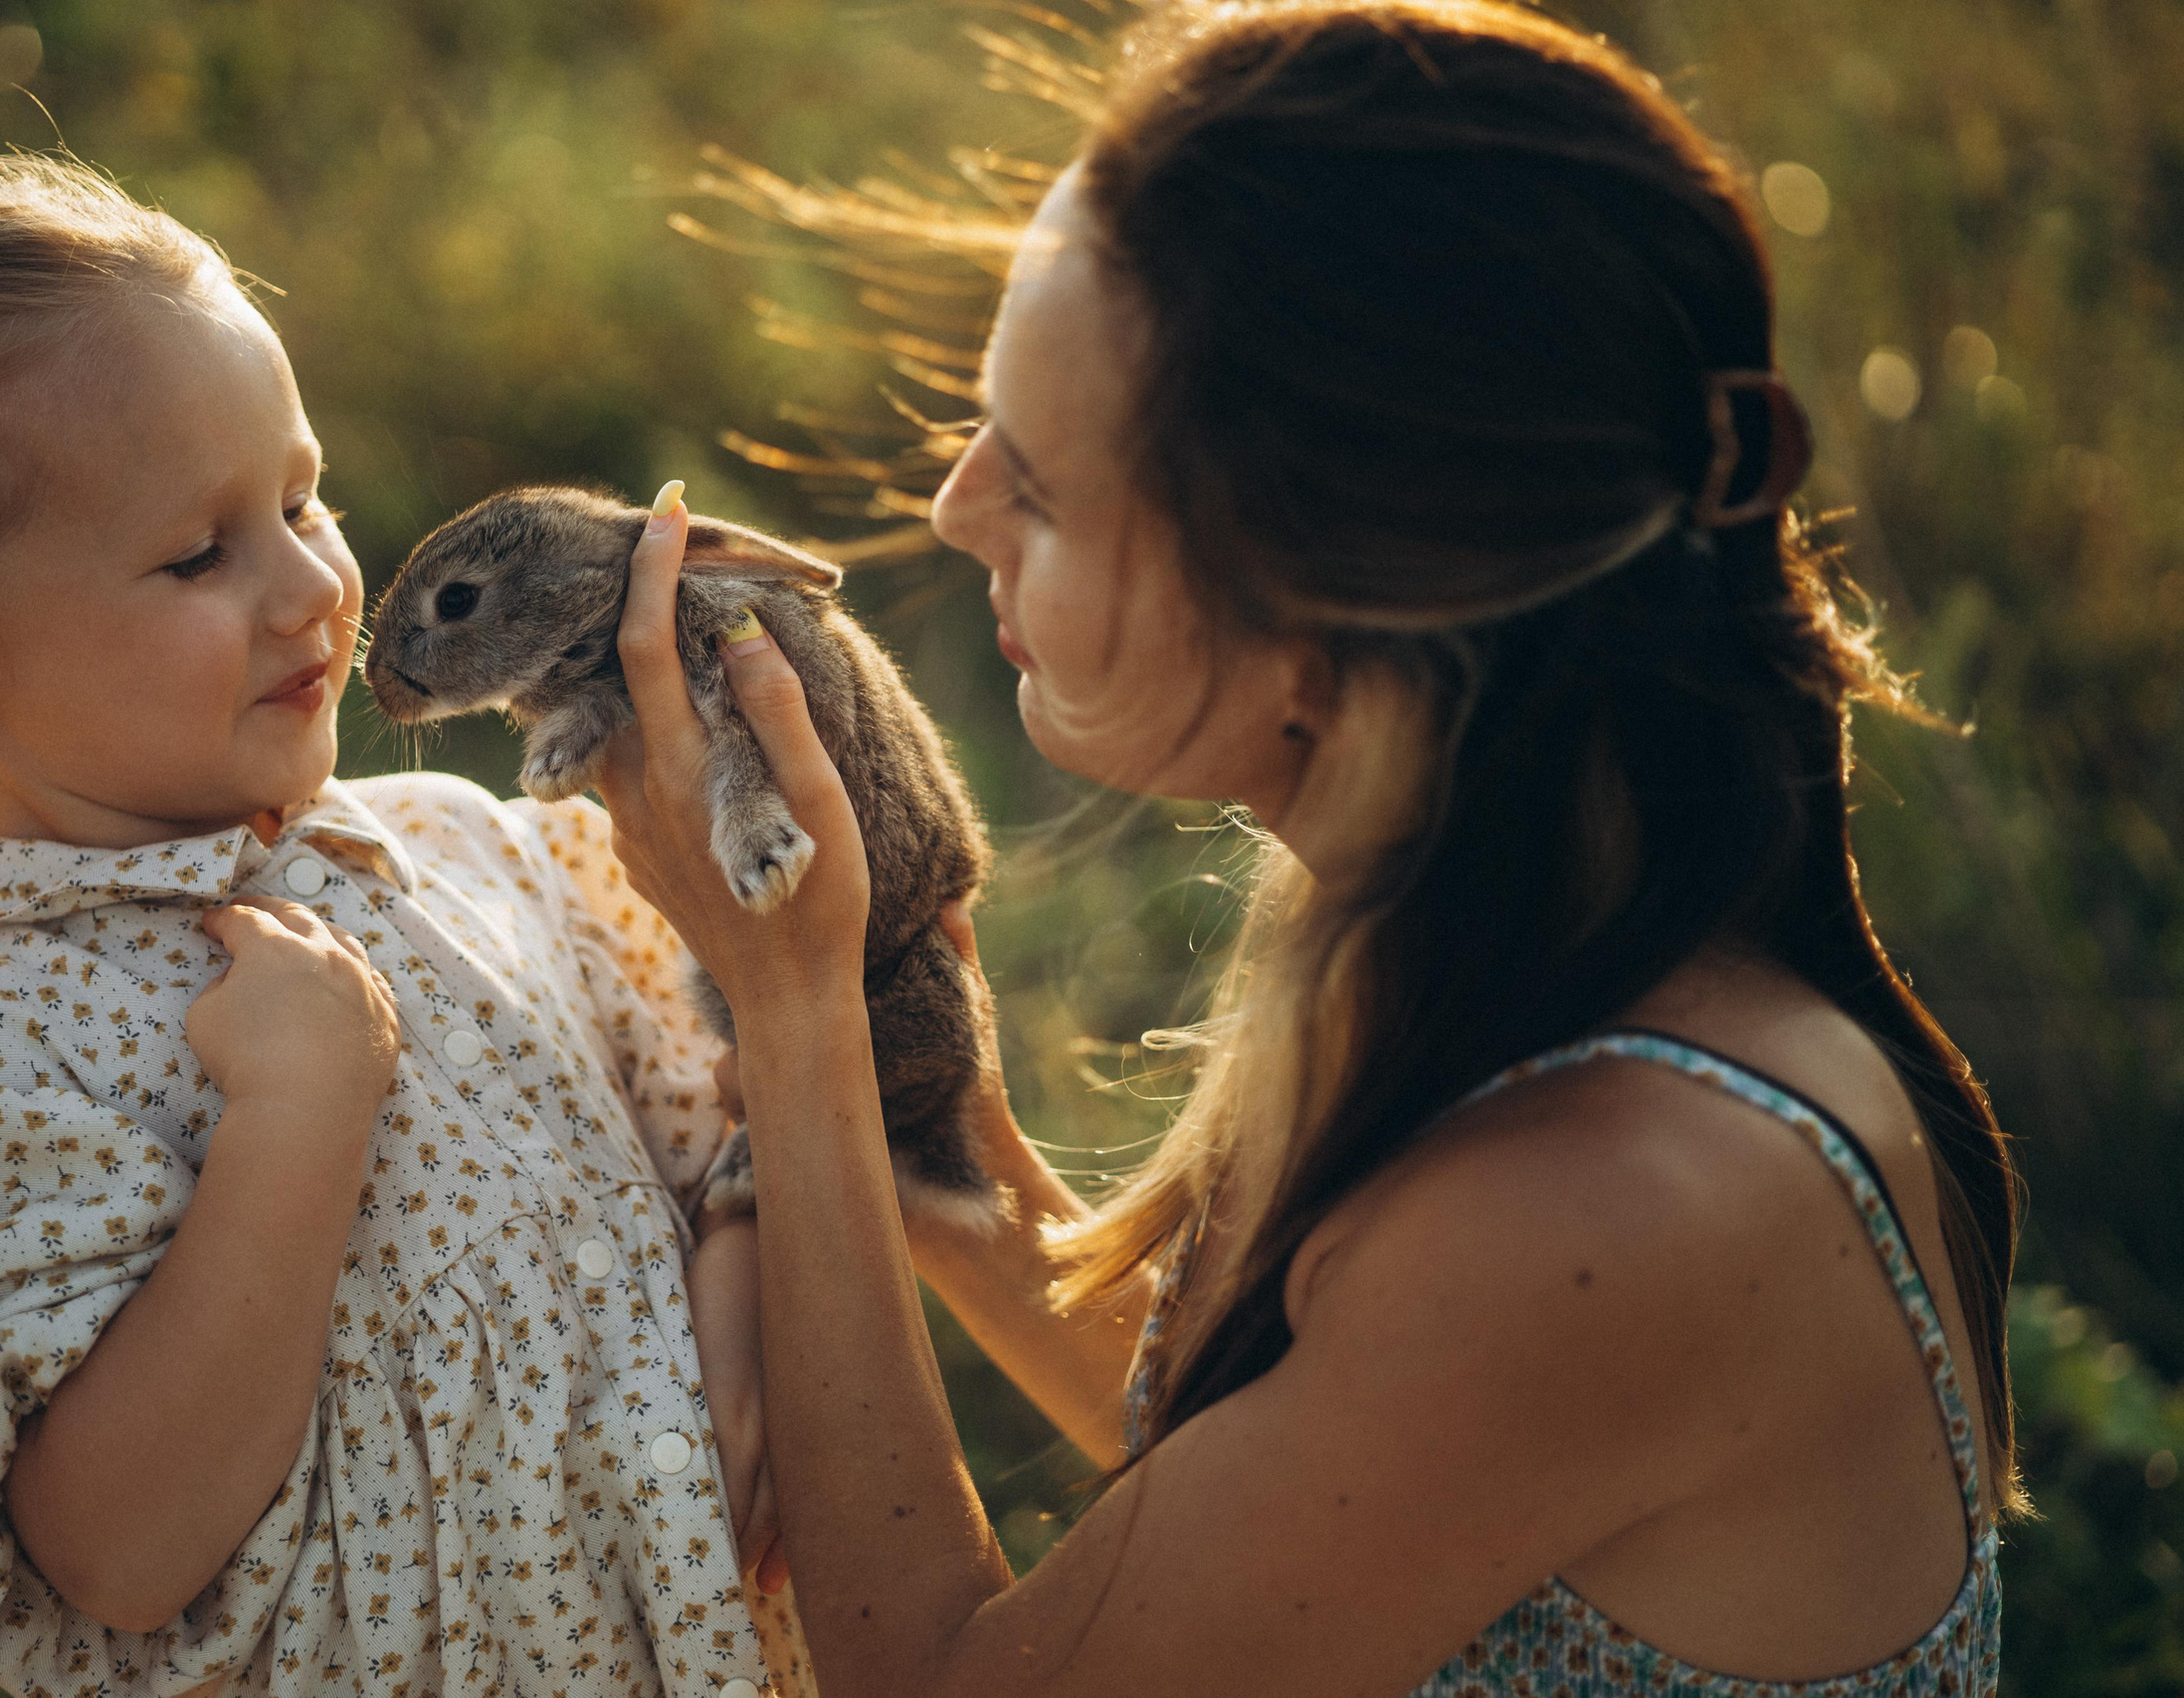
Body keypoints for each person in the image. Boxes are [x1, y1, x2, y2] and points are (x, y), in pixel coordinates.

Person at [597, 2, 2020, 1693]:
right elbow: (1325, 1465)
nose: (960, 505)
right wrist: (952, 1169)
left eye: (1043, 488)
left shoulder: (1619, 1199)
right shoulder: (1516, 922)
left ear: (1322, 621)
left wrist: (796, 1004)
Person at [0, 156, 806, 1697]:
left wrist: (738, 1368)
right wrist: (299, 1117)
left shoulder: (476, 856)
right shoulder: (4, 1046)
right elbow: (121, 1553)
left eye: (301, 497)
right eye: (201, 554)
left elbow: (708, 1130)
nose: (314, 587)